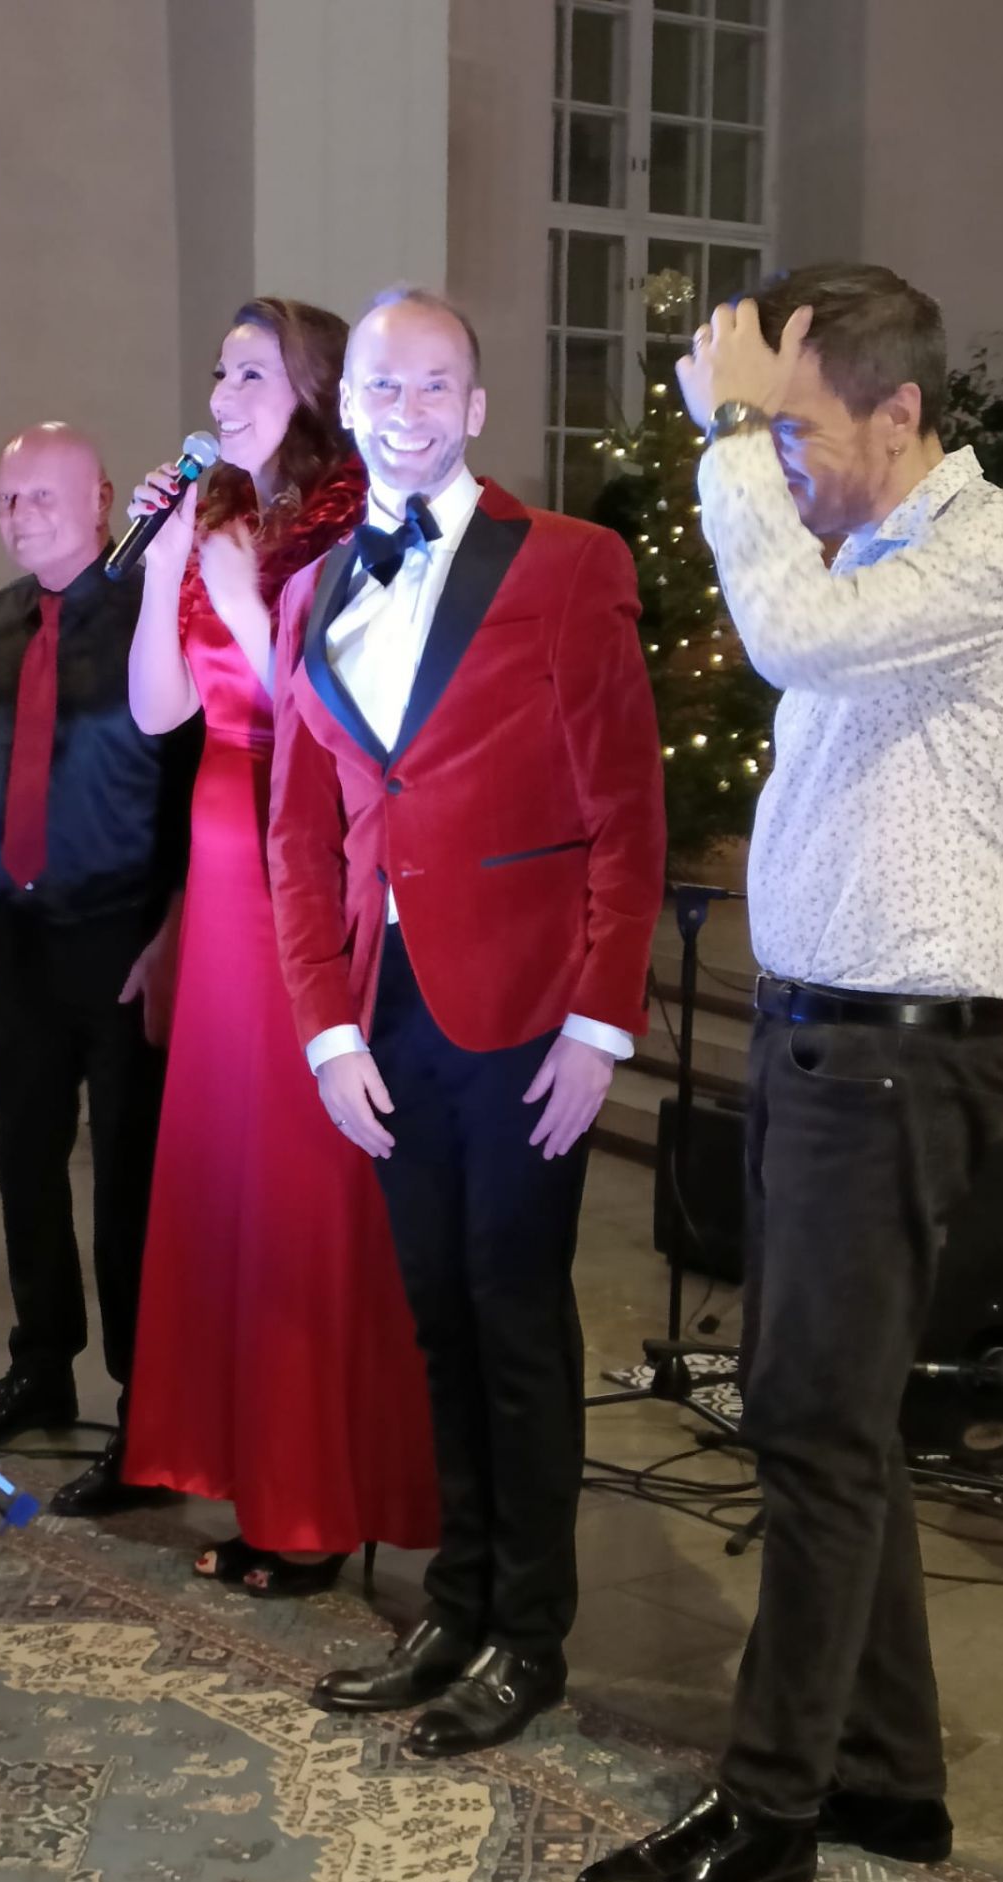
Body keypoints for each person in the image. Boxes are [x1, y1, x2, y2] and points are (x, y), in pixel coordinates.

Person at [575, 266, 1003, 1882]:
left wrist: (725, 431)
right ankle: (889, 1776)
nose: (779, 461)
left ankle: (771, 1801)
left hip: (897, 1052)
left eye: (800, 431)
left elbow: (785, 632)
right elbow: (805, 635)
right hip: (824, 1042)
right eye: (770, 436)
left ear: (901, 411)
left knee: (807, 1428)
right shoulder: (867, 557)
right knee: (834, 1425)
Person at [268, 288, 665, 1755]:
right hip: (384, 1019)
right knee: (436, 1319)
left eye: (436, 385)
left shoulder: (568, 562)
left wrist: (600, 1026)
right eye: (384, 385)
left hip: (525, 1015)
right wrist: (326, 1030)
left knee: (516, 1322)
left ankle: (530, 1635)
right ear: (349, 404)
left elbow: (627, 810)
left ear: (478, 407)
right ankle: (458, 1602)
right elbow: (295, 837)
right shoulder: (313, 592)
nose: (408, 410)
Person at [119, 297, 439, 1591]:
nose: (222, 392)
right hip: (216, 858)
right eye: (219, 370)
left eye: (251, 372)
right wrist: (165, 566)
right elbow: (160, 713)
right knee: (226, 1173)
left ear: (311, 392)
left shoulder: (350, 526)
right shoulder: (217, 518)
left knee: (300, 1180)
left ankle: (316, 1503)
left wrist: (241, 586)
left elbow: (331, 712)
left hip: (296, 856)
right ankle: (252, 1476)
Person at [0, 421, 201, 1516]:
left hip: (127, 937)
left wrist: (176, 929)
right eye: (6, 499)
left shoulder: (152, 617)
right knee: (25, 1160)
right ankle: (42, 1365)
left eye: (41, 496)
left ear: (101, 499)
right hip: (26, 932)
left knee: (128, 1181)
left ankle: (149, 1414)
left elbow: (195, 786)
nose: (20, 516)